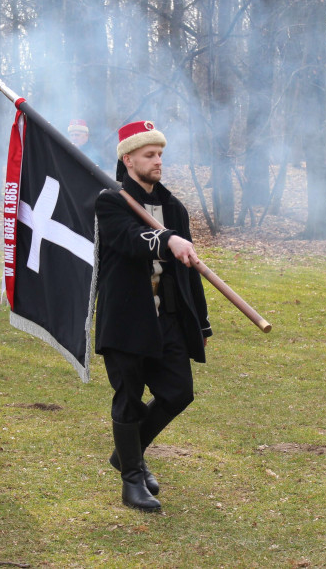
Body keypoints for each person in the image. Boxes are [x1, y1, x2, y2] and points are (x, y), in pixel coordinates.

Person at [94, 120, 212, 512]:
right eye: (149, 155)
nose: (158, 161)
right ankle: (132, 479)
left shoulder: (173, 206)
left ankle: (127, 453)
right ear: (128, 159)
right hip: (126, 316)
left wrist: (202, 322)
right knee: (128, 396)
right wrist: (166, 239)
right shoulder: (110, 201)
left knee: (179, 392)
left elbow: (188, 268)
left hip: (169, 318)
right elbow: (128, 240)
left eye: (160, 154)